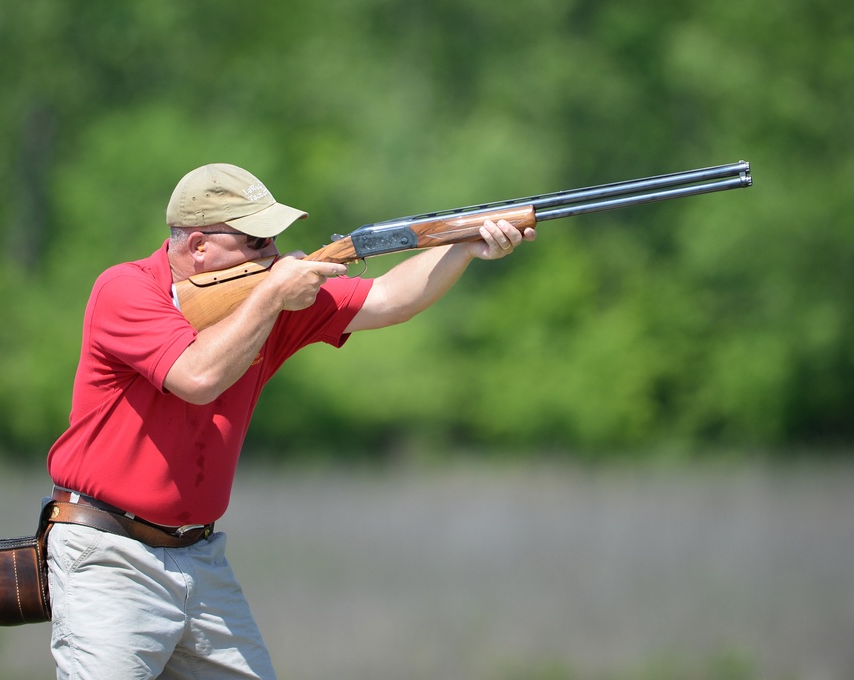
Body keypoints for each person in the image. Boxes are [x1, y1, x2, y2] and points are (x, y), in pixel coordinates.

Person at [44, 162, 535, 679]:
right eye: (256, 241)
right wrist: (273, 295)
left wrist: (462, 244)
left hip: (201, 556)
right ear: (198, 248)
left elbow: (389, 299)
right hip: (109, 556)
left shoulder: (271, 298)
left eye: (274, 237)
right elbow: (196, 374)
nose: (274, 254)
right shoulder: (124, 289)